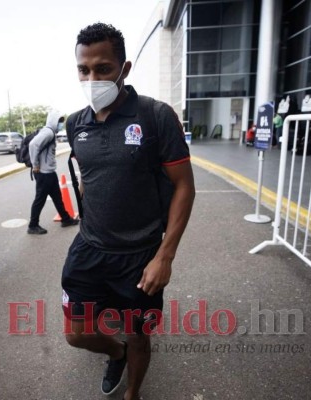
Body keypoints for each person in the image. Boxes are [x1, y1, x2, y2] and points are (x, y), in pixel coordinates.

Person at [61, 23, 195, 400]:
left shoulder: (155, 116)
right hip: (89, 250)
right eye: (83, 70)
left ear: (125, 68)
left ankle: (133, 392)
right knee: (77, 333)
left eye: (103, 68)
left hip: (141, 257)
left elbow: (184, 186)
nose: (92, 78)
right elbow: (90, 174)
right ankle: (114, 352)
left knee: (139, 334)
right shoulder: (75, 123)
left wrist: (164, 257)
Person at [27, 110, 79, 234]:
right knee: (40, 199)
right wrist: (35, 165)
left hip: (49, 172)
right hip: (43, 173)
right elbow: (33, 145)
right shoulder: (48, 132)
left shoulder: (50, 132)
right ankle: (32, 225)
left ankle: (65, 219)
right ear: (53, 121)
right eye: (59, 121)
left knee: (57, 197)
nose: (60, 124)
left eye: (62, 122)